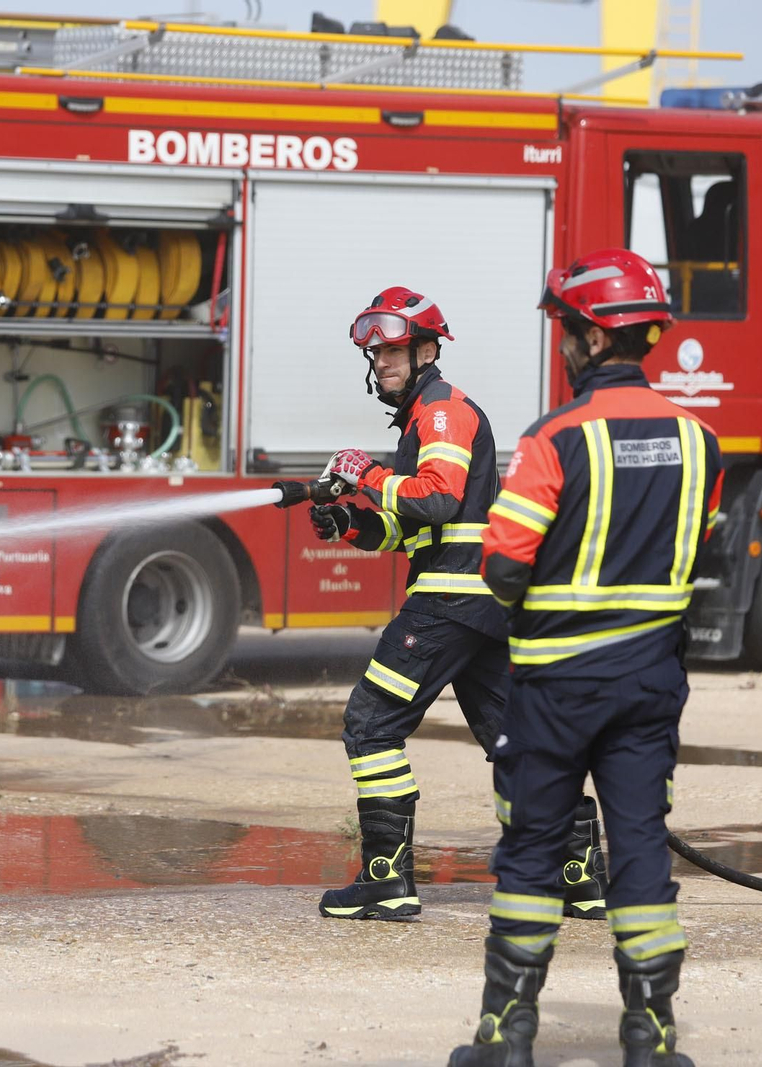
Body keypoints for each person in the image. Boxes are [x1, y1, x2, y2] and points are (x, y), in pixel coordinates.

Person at [449, 249, 723, 1067]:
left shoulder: (553, 438)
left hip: (556, 690)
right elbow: (689, 551)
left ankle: (507, 1037)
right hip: (649, 686)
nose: (564, 345)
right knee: (639, 846)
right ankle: (652, 1038)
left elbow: (502, 563)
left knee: (533, 847)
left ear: (594, 338)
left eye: (569, 331)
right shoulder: (701, 439)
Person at [304, 286, 608, 922]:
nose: (381, 363)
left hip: (447, 602)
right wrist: (351, 524)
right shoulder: (426, 415)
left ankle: (387, 878)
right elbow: (422, 528)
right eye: (375, 354)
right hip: (481, 604)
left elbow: (437, 499)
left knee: (370, 724)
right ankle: (579, 877)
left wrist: (365, 474)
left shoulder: (441, 411)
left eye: (393, 351)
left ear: (426, 350)